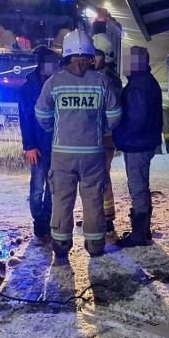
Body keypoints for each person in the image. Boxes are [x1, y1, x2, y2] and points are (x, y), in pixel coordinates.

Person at [35, 30, 122, 262]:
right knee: (93, 200)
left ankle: (61, 247)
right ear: (91, 54)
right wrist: (101, 129)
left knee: (62, 200)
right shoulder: (102, 81)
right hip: (93, 154)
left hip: (61, 155)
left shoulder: (54, 82)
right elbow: (115, 115)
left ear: (67, 54)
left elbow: (41, 114)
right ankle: (95, 245)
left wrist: (56, 130)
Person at [113, 46, 162, 248]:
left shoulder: (138, 86)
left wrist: (120, 134)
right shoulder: (145, 82)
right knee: (141, 186)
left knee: (138, 188)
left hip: (137, 144)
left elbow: (137, 119)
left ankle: (139, 236)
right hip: (143, 142)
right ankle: (142, 230)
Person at [19, 45, 60, 238]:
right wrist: (30, 146)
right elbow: (25, 118)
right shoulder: (29, 88)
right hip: (38, 146)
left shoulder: (59, 84)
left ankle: (48, 219)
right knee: (37, 187)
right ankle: (38, 221)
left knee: (53, 187)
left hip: (57, 146)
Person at [92, 33, 123, 235]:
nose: (92, 58)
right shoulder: (99, 76)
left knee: (101, 176)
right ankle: (97, 215)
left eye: (97, 54)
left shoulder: (109, 79)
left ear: (107, 55)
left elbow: (112, 111)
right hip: (97, 137)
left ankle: (107, 218)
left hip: (105, 137)